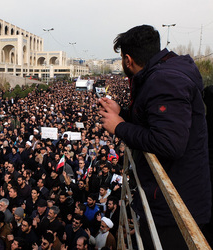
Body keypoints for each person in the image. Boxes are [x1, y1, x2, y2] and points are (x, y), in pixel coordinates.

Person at [98, 24, 212, 249]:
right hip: (171, 199)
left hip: (176, 208)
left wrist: (119, 127)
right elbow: (154, 121)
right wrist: (123, 113)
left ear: (128, 59)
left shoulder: (164, 80)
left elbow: (168, 143)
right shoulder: (163, 74)